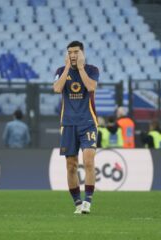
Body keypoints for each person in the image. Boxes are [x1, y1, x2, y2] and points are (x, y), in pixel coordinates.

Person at [53, 40, 99, 214]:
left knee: (88, 161)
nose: (72, 55)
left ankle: (88, 201)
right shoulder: (60, 71)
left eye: (76, 52)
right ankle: (77, 203)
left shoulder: (92, 70)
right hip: (68, 124)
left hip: (88, 123)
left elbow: (91, 86)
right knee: (71, 165)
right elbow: (57, 89)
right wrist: (66, 68)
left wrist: (80, 68)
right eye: (70, 52)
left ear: (82, 53)